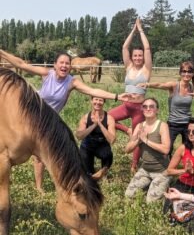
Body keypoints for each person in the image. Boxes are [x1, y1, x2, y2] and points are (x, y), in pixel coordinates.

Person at [0, 49, 128, 192]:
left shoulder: (72, 82)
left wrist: (117, 96)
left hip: (48, 123)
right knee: (17, 145)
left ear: (70, 67)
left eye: (67, 63)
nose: (64, 66)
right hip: (30, 114)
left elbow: (93, 91)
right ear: (55, 65)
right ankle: (28, 182)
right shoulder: (47, 74)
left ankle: (48, 186)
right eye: (61, 63)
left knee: (43, 155)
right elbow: (21, 64)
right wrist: (2, 53)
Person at [108, 17, 152, 172]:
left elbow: (147, 48)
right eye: (136, 56)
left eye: (140, 55)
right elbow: (124, 47)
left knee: (137, 137)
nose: (138, 57)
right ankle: (126, 129)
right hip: (126, 106)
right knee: (108, 117)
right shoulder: (128, 67)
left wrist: (141, 30)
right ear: (132, 57)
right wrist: (133, 30)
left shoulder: (146, 69)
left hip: (139, 109)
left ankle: (134, 165)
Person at [138, 61, 194, 157]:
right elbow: (160, 85)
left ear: (193, 73)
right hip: (173, 123)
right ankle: (166, 166)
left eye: (189, 71)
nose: (186, 74)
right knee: (167, 148)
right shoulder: (174, 85)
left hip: (187, 123)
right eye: (184, 71)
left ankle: (186, 166)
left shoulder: (192, 87)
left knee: (188, 147)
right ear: (180, 73)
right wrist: (147, 84)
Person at [125, 98, 171, 203]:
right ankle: (149, 186)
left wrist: (145, 140)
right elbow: (127, 149)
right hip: (145, 170)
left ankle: (162, 186)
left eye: (151, 106)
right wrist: (138, 141)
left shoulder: (162, 126)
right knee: (128, 195)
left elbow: (166, 149)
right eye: (145, 106)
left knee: (151, 203)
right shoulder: (139, 126)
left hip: (161, 171)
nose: (148, 109)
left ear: (157, 110)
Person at [164, 118, 194, 213]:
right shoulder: (183, 148)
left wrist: (193, 171)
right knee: (169, 210)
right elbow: (169, 170)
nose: (190, 134)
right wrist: (184, 171)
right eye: (188, 131)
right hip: (183, 184)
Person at [76, 96, 116, 180]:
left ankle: (104, 171)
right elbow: (79, 136)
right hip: (88, 144)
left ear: (104, 102)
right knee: (88, 174)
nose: (98, 102)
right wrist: (94, 125)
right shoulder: (85, 117)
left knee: (108, 155)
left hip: (102, 144)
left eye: (100, 100)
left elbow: (112, 140)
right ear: (91, 101)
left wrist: (100, 124)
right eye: (96, 99)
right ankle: (90, 172)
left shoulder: (109, 118)